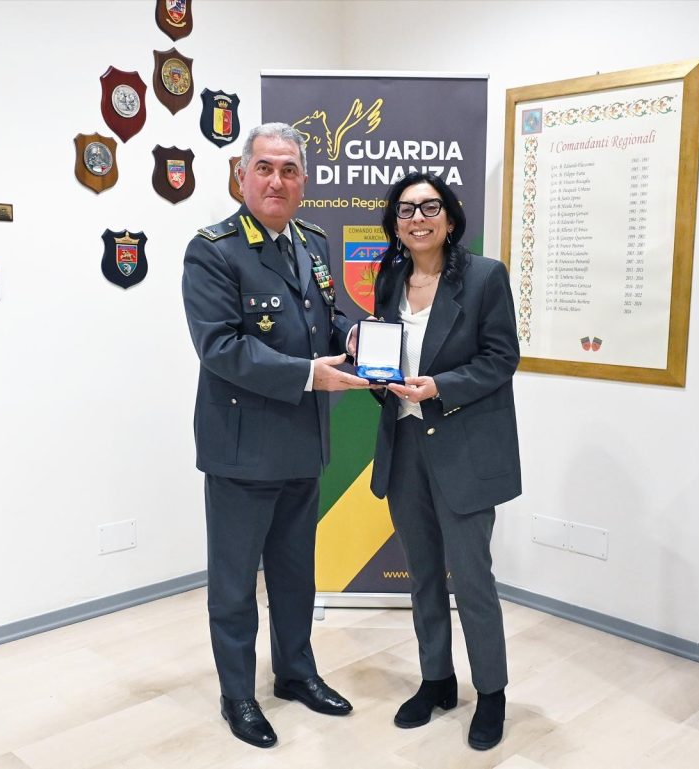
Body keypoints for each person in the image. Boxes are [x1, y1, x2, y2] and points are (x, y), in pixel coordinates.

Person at [182, 122, 369, 749]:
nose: (276, 180)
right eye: (264, 167)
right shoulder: (213, 251)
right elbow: (221, 348)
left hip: (302, 441)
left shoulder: (313, 242)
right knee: (235, 583)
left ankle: (295, 673)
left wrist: (354, 338)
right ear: (241, 175)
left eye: (289, 169)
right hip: (242, 448)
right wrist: (309, 375)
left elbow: (324, 317)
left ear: (303, 181)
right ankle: (238, 694)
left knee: (295, 573)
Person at [368, 172, 522, 750]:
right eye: (406, 210)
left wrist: (441, 387)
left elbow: (501, 358)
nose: (418, 218)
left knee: (472, 578)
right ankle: (436, 680)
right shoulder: (390, 277)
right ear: (395, 224)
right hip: (404, 445)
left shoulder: (484, 277)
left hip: (463, 449)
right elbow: (387, 353)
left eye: (430, 207)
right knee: (423, 575)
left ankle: (492, 693)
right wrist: (374, 374)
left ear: (450, 219)